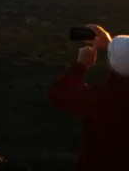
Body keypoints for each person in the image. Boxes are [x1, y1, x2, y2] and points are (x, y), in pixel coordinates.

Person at [48, 24, 129, 170]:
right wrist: (112, 46)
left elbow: (59, 94)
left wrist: (81, 66)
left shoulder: (106, 99)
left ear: (113, 66)